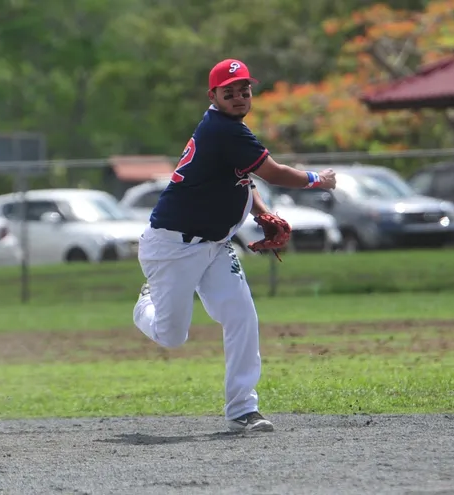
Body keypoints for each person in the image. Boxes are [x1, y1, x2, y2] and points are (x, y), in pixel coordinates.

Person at [133, 58, 337, 432]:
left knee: (242, 317)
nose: (240, 96)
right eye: (230, 92)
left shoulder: (227, 130)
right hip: (173, 247)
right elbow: (273, 172)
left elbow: (243, 178)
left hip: (215, 245)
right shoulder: (223, 130)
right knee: (172, 336)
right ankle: (144, 304)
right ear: (213, 96)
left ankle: (243, 409)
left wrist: (260, 213)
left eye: (245, 90)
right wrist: (317, 180)